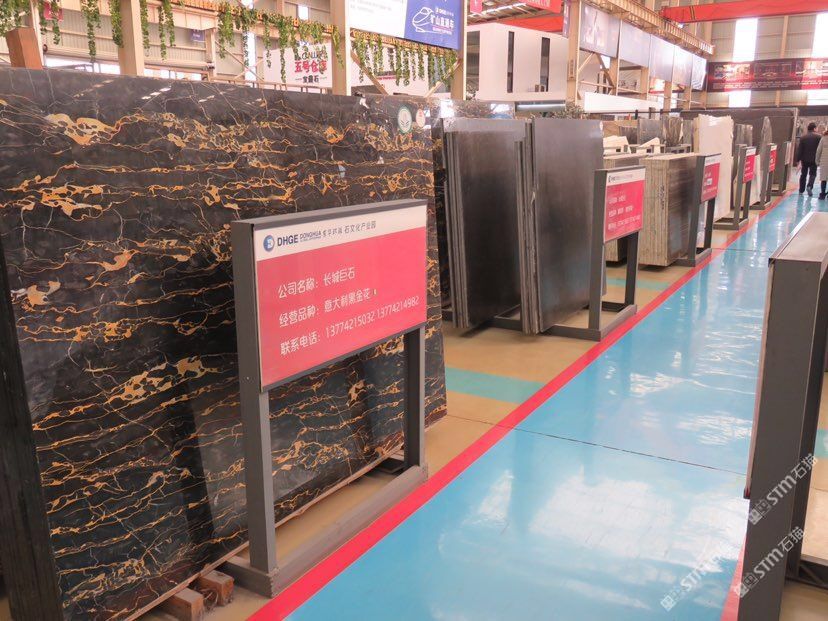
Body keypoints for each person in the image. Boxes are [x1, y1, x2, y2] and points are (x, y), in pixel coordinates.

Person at [796, 122, 821, 196]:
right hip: (814, 159)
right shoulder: (819, 137)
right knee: (813, 174)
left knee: (803, 174)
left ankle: (801, 190)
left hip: (804, 159)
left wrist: (798, 160)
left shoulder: (803, 137)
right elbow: (820, 149)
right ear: (814, 128)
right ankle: (809, 186)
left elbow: (800, 149)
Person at [817, 129, 828, 199]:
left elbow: (819, 150)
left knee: (823, 179)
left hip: (824, 162)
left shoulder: (823, 138)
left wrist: (817, 161)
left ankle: (822, 194)